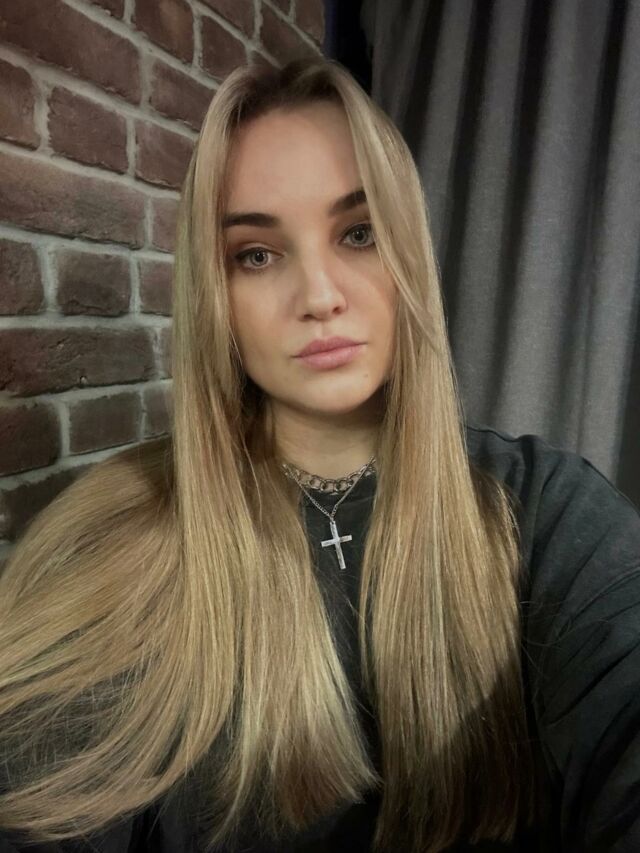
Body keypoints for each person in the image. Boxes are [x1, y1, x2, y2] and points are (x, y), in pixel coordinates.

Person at [0, 55, 638, 853]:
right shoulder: (116, 536)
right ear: (215, 296)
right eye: (257, 254)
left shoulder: (545, 512)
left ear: (409, 252)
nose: (320, 296)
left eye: (359, 234)